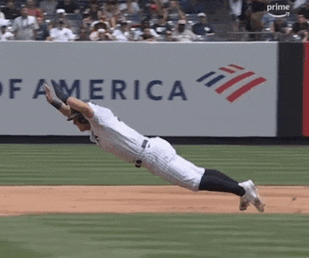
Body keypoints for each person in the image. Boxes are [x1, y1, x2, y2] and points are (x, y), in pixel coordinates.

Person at [42, 81, 266, 213]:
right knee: (198, 173)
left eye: (76, 121)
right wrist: (54, 103)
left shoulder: (101, 119)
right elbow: (72, 111)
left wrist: (65, 96)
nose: (75, 124)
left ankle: (242, 190)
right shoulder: (95, 130)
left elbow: (82, 108)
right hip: (153, 151)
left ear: (83, 118)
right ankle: (242, 187)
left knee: (195, 182)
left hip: (152, 156)